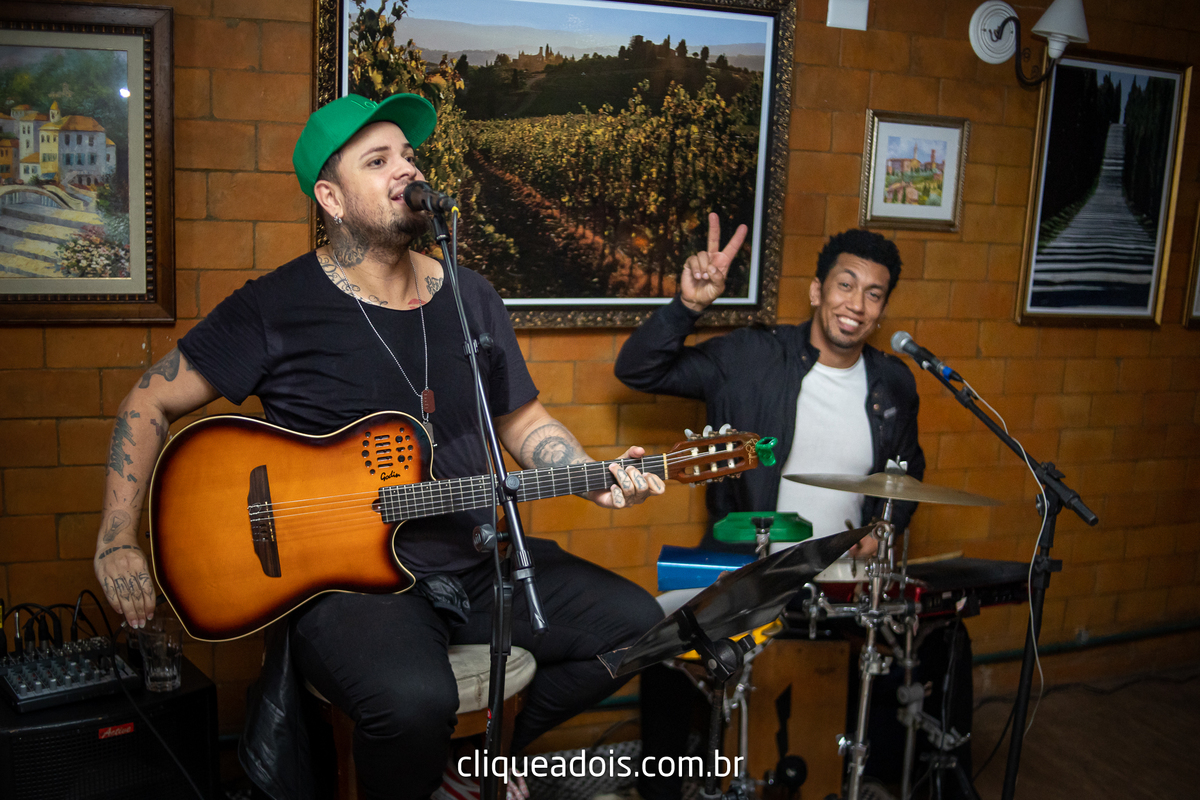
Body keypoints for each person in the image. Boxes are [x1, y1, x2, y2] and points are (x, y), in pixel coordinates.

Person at [92, 93, 669, 800]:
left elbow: (520, 420)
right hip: (350, 584)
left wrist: (587, 472)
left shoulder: (470, 296)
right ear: (331, 197)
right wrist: (117, 538)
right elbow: (148, 399)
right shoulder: (275, 306)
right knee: (411, 700)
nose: (406, 169)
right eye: (379, 159)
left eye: (409, 154)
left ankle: (475, 763)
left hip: (476, 557)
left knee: (641, 627)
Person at [614, 219, 972, 799]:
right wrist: (686, 305)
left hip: (843, 585)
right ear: (817, 291)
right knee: (657, 635)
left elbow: (908, 471)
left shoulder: (893, 384)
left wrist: (884, 529)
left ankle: (893, 778)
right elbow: (639, 369)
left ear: (883, 309)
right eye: (846, 285)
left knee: (948, 639)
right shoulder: (754, 356)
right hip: (750, 571)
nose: (856, 304)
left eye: (873, 294)